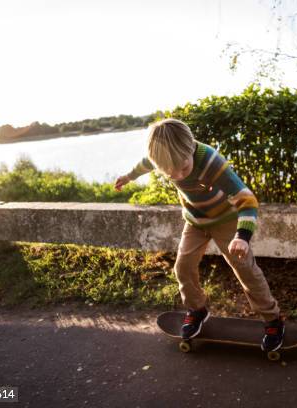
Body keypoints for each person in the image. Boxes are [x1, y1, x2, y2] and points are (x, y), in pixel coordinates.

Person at [114, 118, 285, 352]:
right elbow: (146, 163)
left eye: (183, 169)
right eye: (169, 173)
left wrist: (242, 237)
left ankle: (273, 319)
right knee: (182, 267)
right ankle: (197, 309)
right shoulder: (166, 158)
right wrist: (129, 177)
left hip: (226, 221)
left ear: (191, 148)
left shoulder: (211, 161)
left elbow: (248, 199)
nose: (179, 176)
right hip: (195, 222)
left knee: (244, 268)